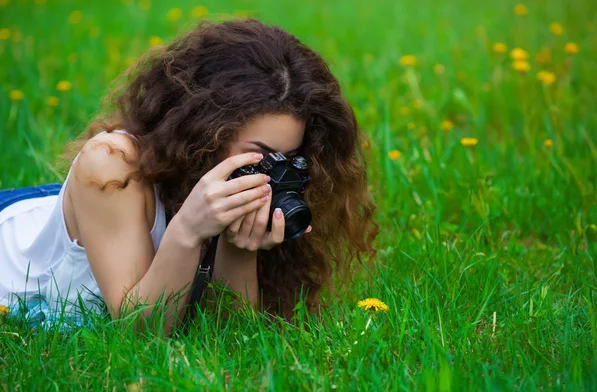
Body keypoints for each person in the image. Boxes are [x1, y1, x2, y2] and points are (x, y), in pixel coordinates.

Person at [0, 18, 378, 334]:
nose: (272, 174)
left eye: (288, 160)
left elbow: (230, 334)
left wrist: (238, 245)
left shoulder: (244, 185)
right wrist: (187, 231)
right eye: (259, 155)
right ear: (204, 131)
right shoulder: (111, 167)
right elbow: (139, 332)